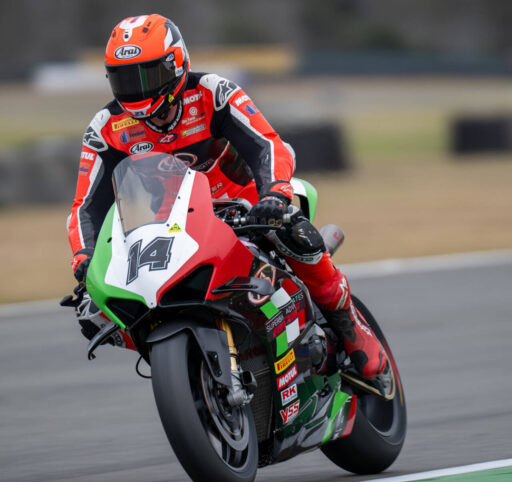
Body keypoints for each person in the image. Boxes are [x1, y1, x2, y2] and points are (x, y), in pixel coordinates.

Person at [68, 14, 388, 381]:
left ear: (175, 65)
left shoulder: (212, 92)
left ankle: (350, 326)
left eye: (146, 76)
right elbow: (86, 204)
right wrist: (84, 258)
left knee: (294, 233)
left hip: (246, 206)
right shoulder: (106, 127)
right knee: (98, 310)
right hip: (169, 227)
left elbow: (267, 144)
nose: (136, 91)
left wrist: (275, 194)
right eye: (124, 79)